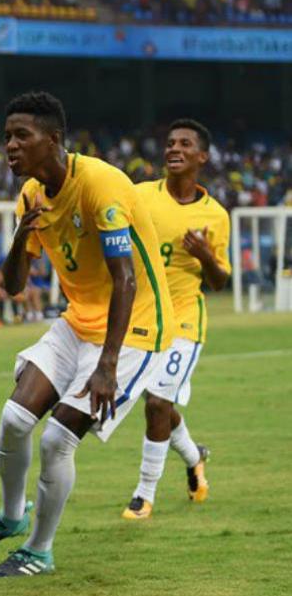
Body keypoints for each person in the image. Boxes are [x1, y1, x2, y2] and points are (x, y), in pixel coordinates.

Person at [0, 91, 175, 577]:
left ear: (53, 139)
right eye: (7, 136)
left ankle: (39, 550)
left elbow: (126, 279)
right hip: (79, 321)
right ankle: (12, 519)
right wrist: (19, 238)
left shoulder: (101, 185)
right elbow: (13, 287)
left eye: (22, 136)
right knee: (13, 420)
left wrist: (107, 366)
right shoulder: (31, 195)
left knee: (56, 440)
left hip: (134, 327)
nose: (10, 146)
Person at [121, 119, 229, 519]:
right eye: (169, 143)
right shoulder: (140, 195)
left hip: (184, 319)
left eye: (185, 143)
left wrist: (204, 255)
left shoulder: (215, 215)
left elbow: (218, 281)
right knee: (155, 404)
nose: (174, 149)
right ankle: (193, 456)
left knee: (157, 402)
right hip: (143, 316)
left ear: (202, 156)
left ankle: (143, 494)